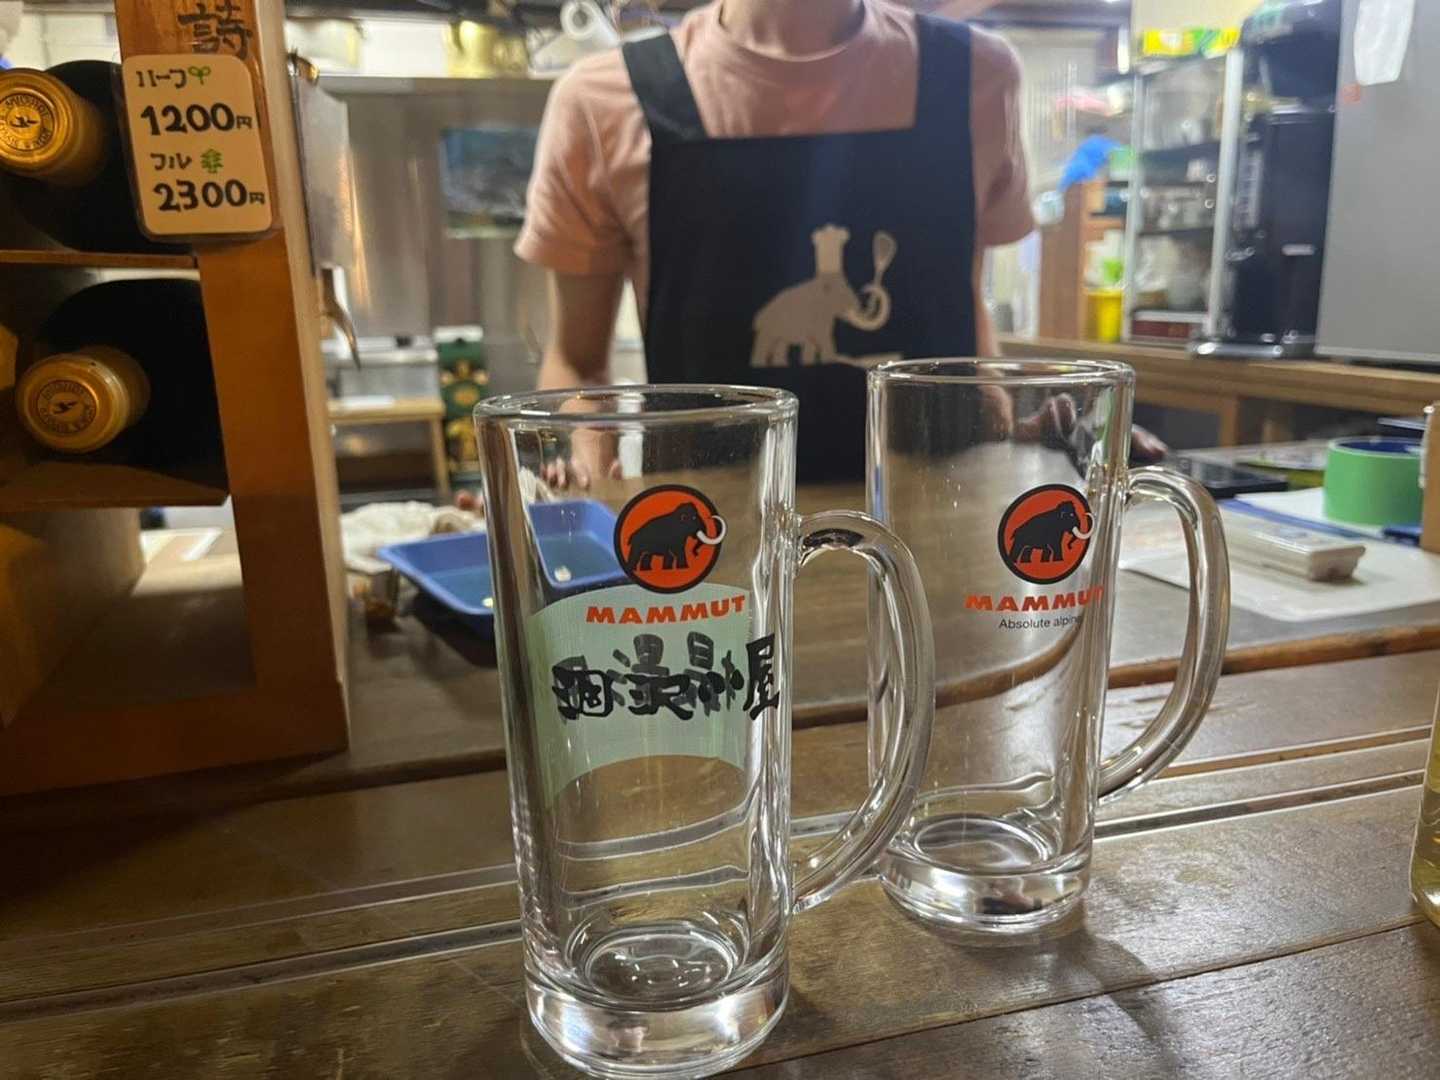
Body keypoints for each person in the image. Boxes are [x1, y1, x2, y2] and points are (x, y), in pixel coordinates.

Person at [515, 0, 1040, 485]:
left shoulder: (979, 76)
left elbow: (966, 310)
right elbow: (578, 365)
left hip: (938, 527)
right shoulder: (603, 101)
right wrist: (585, 474)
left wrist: (1007, 417)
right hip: (714, 540)